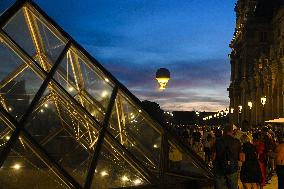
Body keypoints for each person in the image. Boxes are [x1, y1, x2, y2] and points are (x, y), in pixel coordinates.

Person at [213, 124, 241, 189]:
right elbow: (242, 158)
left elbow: (213, 157)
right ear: (232, 131)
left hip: (219, 169)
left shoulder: (217, 141)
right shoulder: (237, 141)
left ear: (224, 131)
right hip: (232, 168)